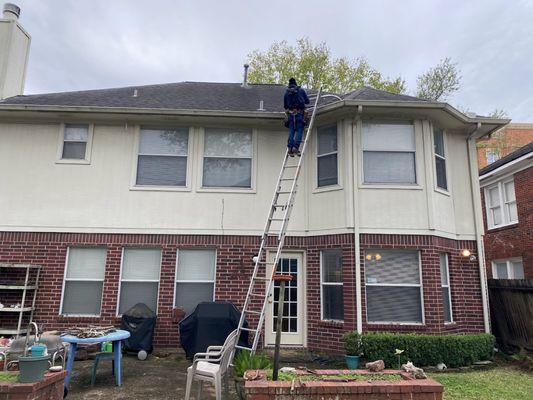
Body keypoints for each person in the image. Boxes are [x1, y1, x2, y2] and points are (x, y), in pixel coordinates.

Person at [284, 78, 309, 156]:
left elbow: (285, 106)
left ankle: (290, 149)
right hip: (299, 114)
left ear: (289, 84)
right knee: (299, 130)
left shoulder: (286, 93)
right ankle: (296, 147)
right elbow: (307, 101)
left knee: (291, 131)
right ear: (295, 83)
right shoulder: (300, 90)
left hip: (291, 115)